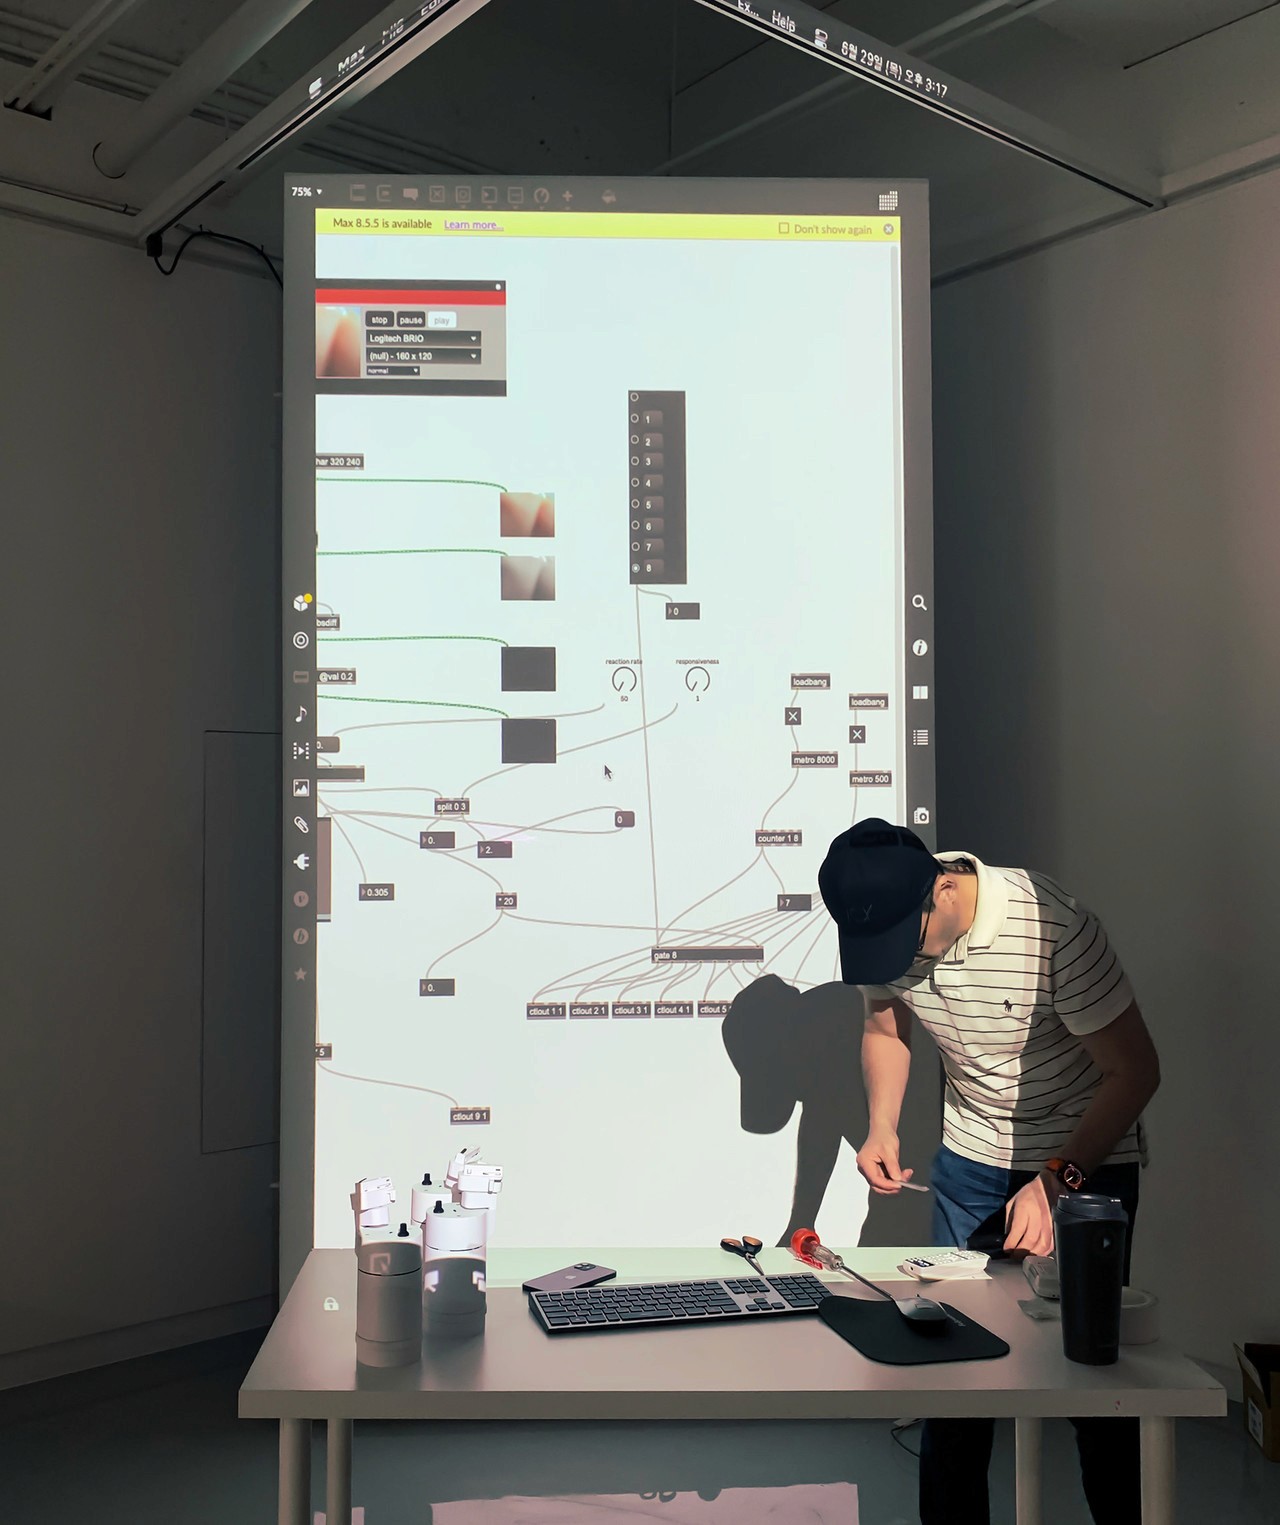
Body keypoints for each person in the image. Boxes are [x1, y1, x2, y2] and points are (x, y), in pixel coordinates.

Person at [817, 819, 1161, 1525]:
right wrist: (881, 1123)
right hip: (971, 1161)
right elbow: (884, 1025)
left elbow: (1135, 1072)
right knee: (954, 1385)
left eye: (905, 942)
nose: (896, 961)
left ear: (943, 889)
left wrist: (1056, 1181)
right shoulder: (883, 922)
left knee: (1093, 1388)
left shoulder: (1053, 928)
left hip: (1084, 1161)